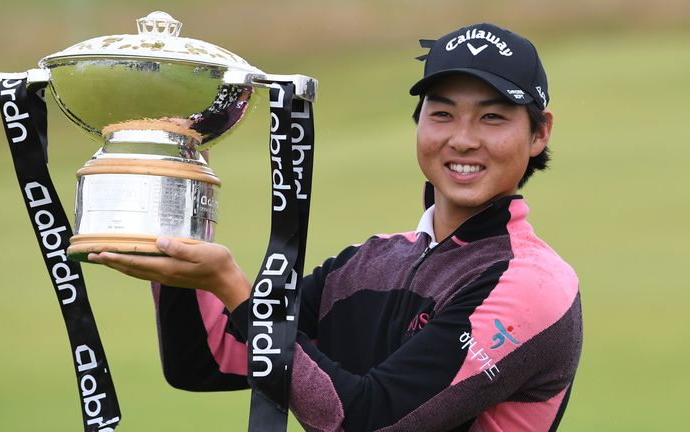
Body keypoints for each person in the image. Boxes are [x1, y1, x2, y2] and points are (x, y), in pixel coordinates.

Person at [89, 22, 583, 432]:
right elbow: (210, 359)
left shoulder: (533, 285)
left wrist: (233, 288)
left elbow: (367, 420)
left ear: (539, 133)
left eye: (493, 117)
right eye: (442, 114)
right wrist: (173, 223)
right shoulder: (370, 262)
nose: (463, 139)